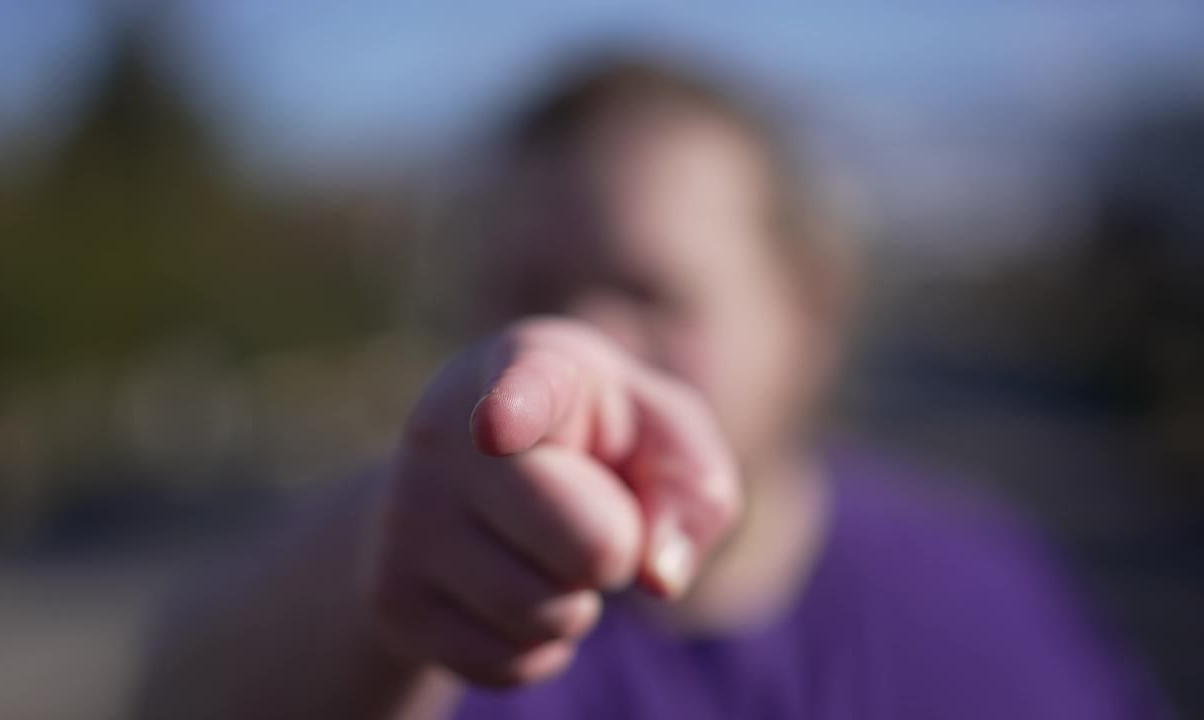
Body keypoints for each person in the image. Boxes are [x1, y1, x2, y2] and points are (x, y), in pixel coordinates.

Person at [136, 56, 1163, 719]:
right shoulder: (455, 623)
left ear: (805, 310)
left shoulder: (978, 586)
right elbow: (189, 689)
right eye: (525, 291)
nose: (582, 342)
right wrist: (389, 566)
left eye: (649, 289)